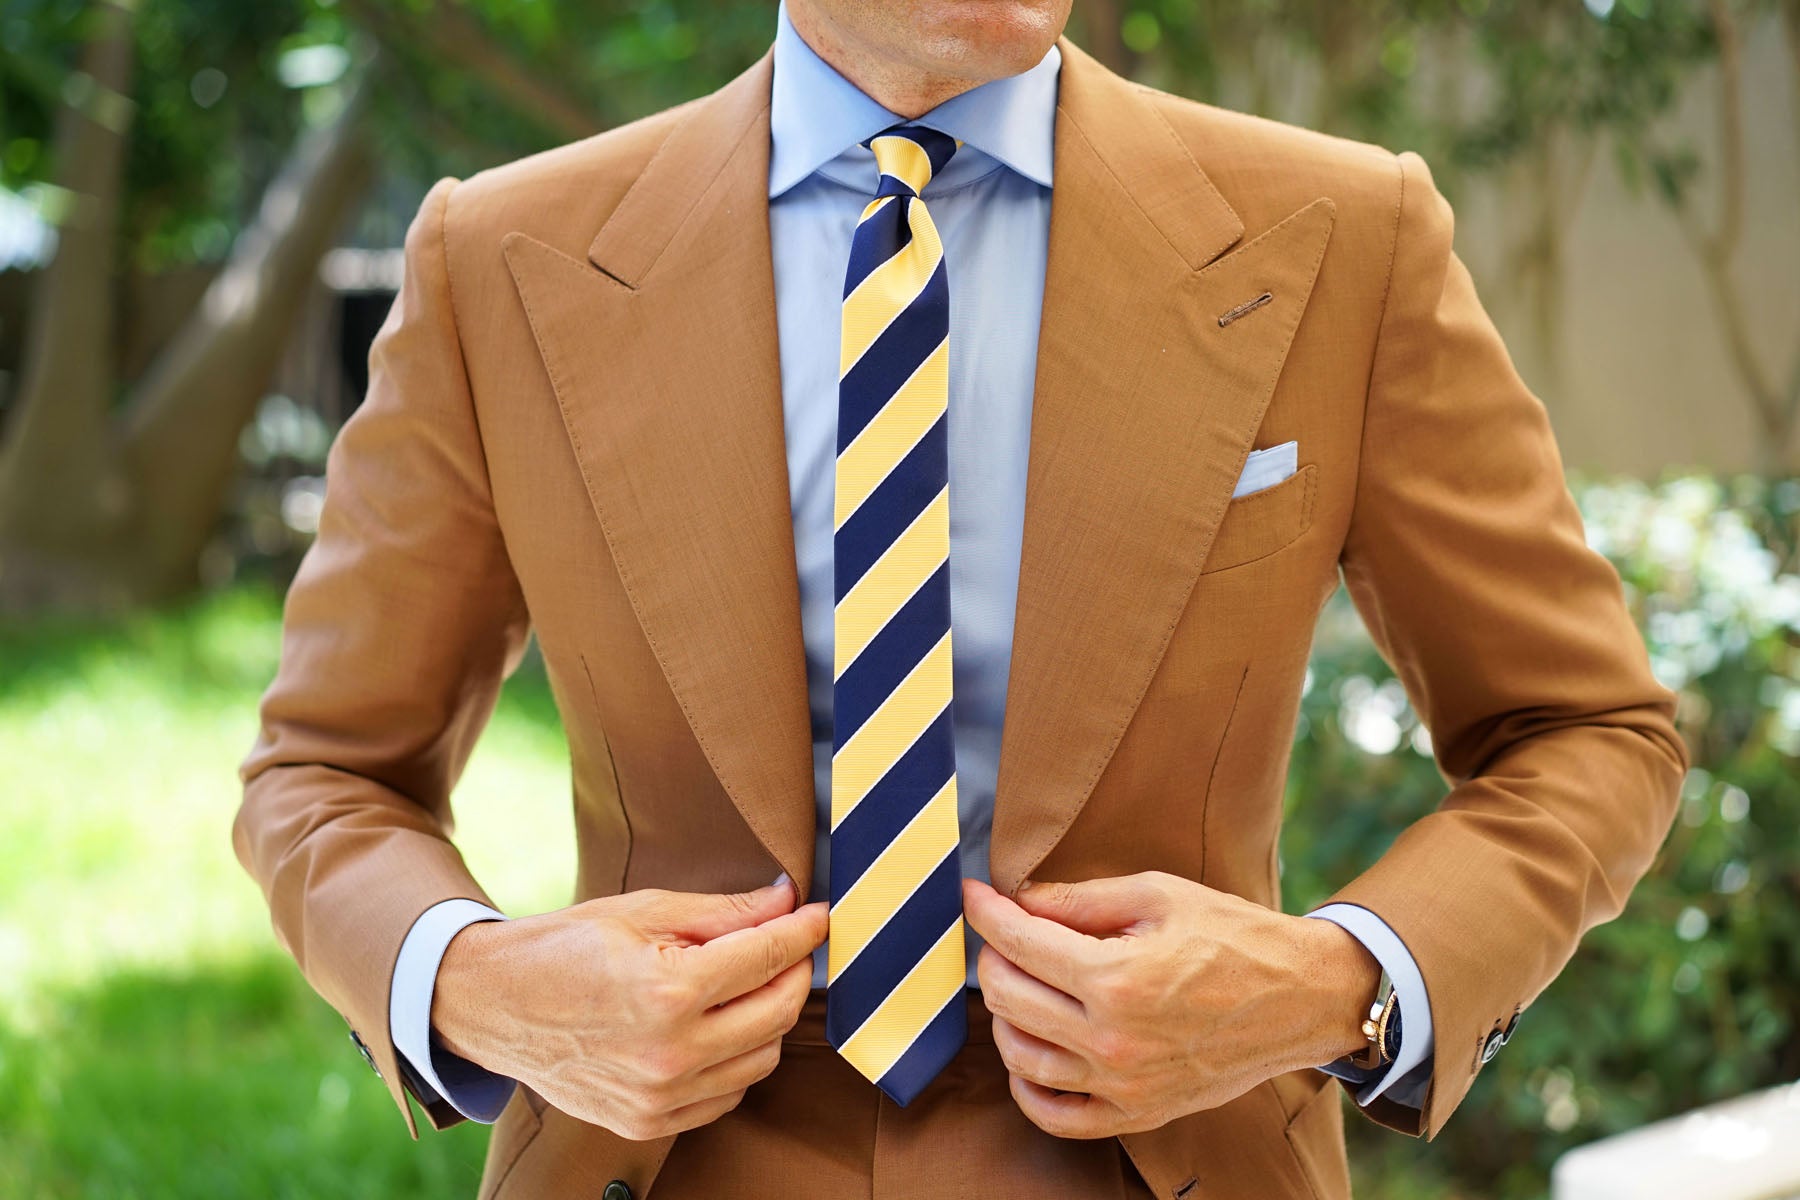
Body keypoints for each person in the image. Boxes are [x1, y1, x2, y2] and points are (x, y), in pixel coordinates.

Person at [233, 1, 1688, 1197]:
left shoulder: (1346, 233)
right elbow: (323, 774)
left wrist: (1334, 985)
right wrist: (478, 987)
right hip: (657, 1167)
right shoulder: (496, 259)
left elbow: (1588, 729)